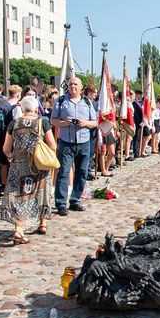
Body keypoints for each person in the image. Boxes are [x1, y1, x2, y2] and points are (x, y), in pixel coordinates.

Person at [2, 95, 57, 243]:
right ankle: (42, 223)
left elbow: (6, 148)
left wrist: (11, 156)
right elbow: (52, 145)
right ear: (35, 108)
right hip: (38, 165)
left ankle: (19, 229)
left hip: (18, 165)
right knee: (41, 193)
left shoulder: (14, 123)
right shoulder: (42, 122)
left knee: (19, 195)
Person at [50, 77, 97, 216]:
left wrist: (85, 123)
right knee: (63, 173)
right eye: (70, 84)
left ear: (81, 87)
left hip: (84, 142)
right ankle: (61, 203)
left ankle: (75, 200)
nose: (72, 86)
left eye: (75, 84)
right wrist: (64, 123)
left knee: (82, 172)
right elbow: (53, 120)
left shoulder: (87, 102)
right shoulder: (61, 101)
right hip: (66, 141)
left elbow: (95, 122)